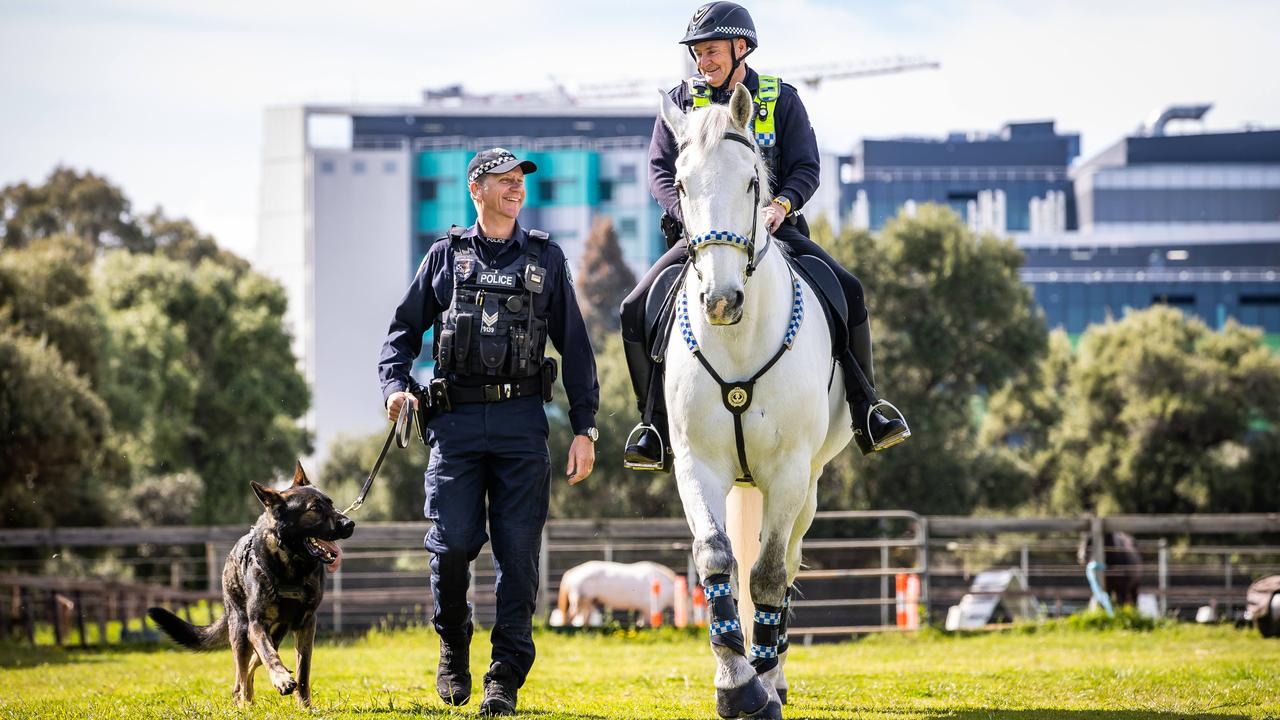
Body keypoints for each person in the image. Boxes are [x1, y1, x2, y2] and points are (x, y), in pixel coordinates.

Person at [620, 1, 909, 470]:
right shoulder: (680, 102)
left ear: (742, 47)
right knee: (633, 307)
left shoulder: (782, 98)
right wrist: (684, 213)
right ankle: (652, 425)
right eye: (697, 53)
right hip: (703, 239)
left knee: (850, 292)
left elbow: (806, 167)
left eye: (711, 51)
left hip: (777, 232)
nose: (702, 62)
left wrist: (781, 204)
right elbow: (658, 171)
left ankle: (866, 408)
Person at [379, 148, 600, 716]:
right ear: (475, 190)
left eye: (519, 181)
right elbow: (402, 332)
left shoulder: (546, 258)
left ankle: (503, 677)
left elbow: (574, 347)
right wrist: (396, 386)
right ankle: (454, 644)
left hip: (522, 424)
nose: (515, 189)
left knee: (518, 559)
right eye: (503, 181)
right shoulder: (444, 257)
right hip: (452, 423)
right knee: (452, 544)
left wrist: (584, 428)